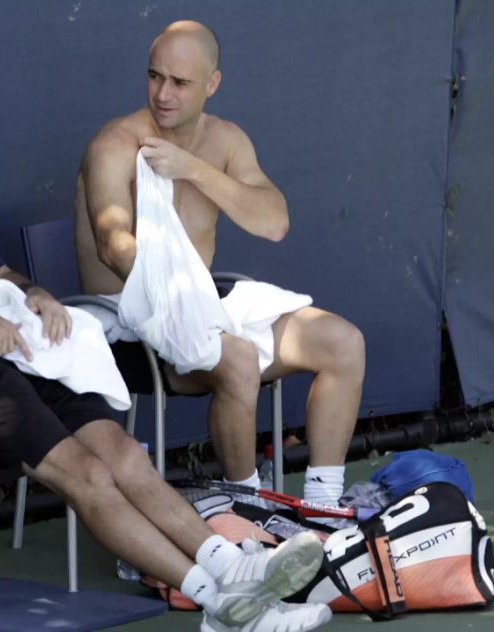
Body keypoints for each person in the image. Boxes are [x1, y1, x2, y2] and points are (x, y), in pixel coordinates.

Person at [0, 58, 332, 632]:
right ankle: (220, 604)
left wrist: (38, 296)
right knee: (88, 474)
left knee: (124, 455)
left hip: (21, 352)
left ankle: (236, 572)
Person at [76, 21, 365, 514]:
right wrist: (181, 302)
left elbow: (274, 222)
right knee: (236, 359)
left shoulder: (226, 141)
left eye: (180, 83)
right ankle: (248, 509)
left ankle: (322, 508)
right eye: (154, 77)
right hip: (132, 324)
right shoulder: (115, 144)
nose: (163, 94)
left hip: (203, 304)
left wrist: (194, 169)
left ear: (212, 84)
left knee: (343, 342)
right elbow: (113, 244)